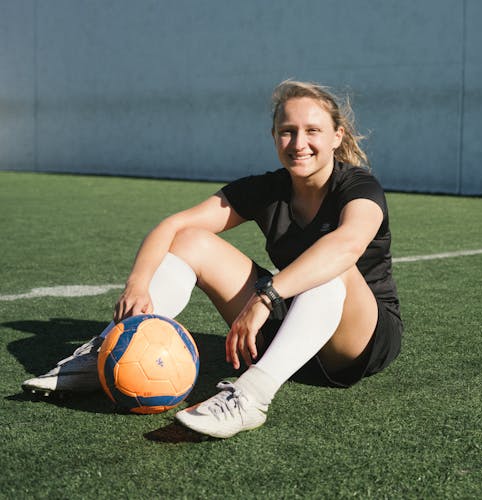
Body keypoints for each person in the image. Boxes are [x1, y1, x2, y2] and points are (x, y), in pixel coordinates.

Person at [22, 80, 403, 438]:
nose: (298, 142)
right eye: (287, 130)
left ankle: (250, 397)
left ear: (337, 136)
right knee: (191, 240)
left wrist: (267, 295)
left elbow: (346, 246)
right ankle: (104, 355)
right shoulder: (267, 189)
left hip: (355, 342)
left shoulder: (358, 186)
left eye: (312, 131)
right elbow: (173, 226)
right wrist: (137, 283)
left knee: (331, 269)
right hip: (292, 329)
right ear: (274, 136)